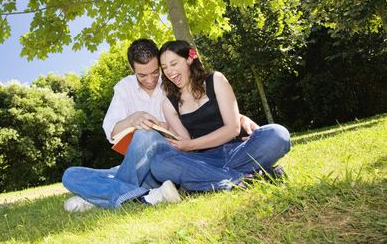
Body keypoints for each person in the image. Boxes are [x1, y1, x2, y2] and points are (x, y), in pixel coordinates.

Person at [62, 39, 259, 212]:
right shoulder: (124, 88)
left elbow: (203, 110)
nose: (150, 80)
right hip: (138, 166)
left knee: (144, 135)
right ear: (132, 69)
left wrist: (240, 117)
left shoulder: (174, 80)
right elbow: (111, 132)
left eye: (155, 72)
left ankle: (105, 196)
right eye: (142, 75)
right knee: (71, 175)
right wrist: (133, 119)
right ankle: (146, 196)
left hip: (170, 160)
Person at [146, 40, 290, 192]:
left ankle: (207, 180)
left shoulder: (216, 80)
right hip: (205, 160)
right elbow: (186, 145)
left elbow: (232, 129)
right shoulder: (169, 104)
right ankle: (247, 179)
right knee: (159, 163)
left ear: (189, 59)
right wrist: (167, 134)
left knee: (277, 134)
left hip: (238, 150)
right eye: (165, 67)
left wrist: (191, 146)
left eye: (174, 64)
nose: (169, 71)